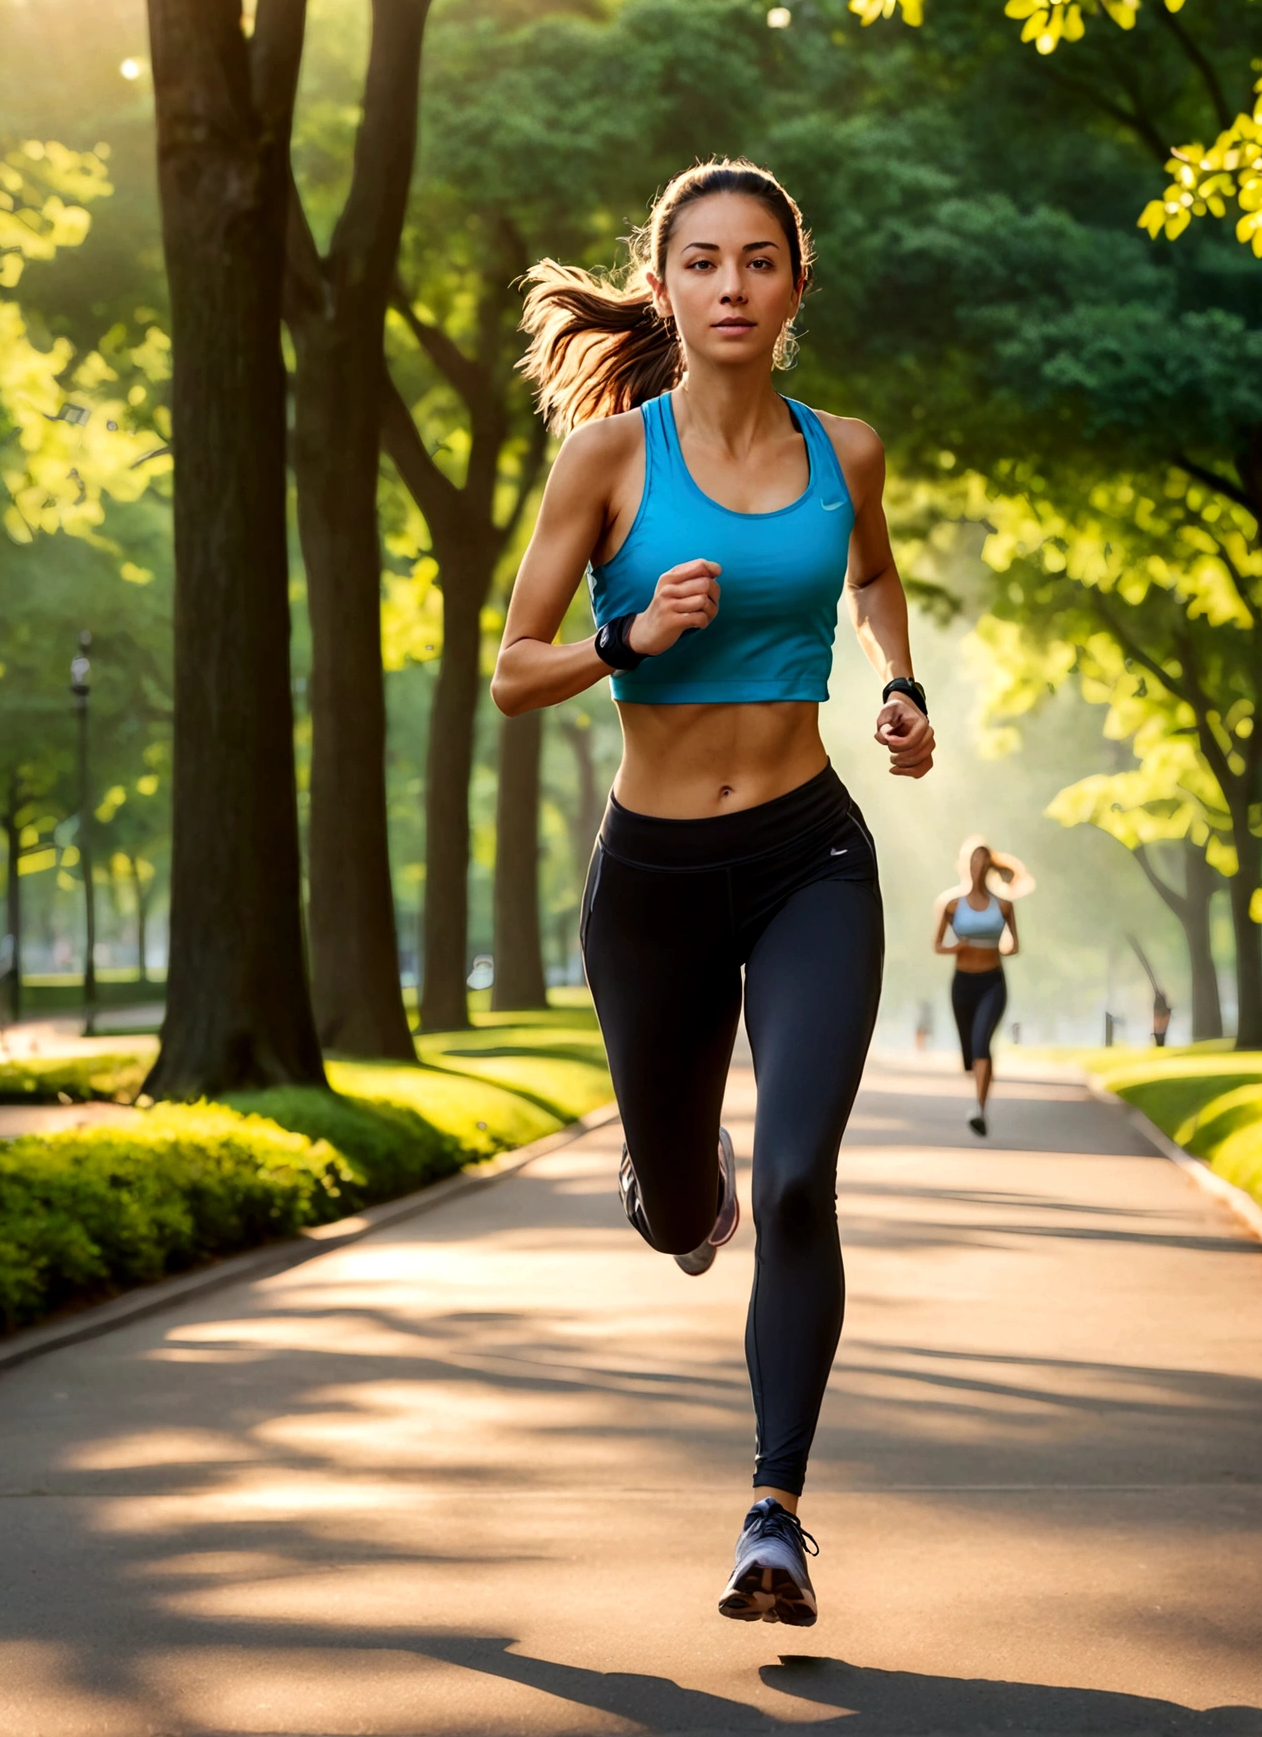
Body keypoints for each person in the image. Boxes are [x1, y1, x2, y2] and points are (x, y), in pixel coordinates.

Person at [491, 157, 934, 1628]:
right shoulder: (610, 461)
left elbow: (871, 577)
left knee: (802, 1180)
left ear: (795, 287)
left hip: (812, 856)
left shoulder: (847, 449)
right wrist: (629, 638)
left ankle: (774, 1513)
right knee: (687, 1205)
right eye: (702, 262)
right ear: (666, 283)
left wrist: (902, 684)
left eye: (758, 261)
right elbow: (511, 674)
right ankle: (678, 1184)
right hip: (656, 882)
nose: (731, 286)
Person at [933, 839, 1032, 1136]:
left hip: (993, 982)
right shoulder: (952, 904)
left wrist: (1003, 948)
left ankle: (980, 1109)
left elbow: (1014, 944)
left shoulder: (1003, 905)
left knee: (981, 1045)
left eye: (983, 861)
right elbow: (937, 945)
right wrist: (959, 947)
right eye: (973, 860)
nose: (978, 866)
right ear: (967, 865)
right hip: (962, 983)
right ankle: (978, 1078)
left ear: (989, 866)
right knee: (968, 1055)